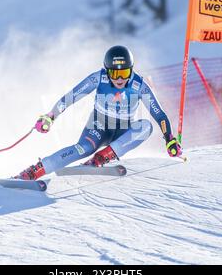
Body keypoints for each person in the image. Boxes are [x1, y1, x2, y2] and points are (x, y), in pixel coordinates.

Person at [15, 45, 182, 180]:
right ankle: (35, 171)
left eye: (124, 73)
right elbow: (72, 96)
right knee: (83, 148)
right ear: (107, 71)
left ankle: (101, 157)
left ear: (131, 70)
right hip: (99, 125)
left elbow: (159, 114)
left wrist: (169, 139)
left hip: (122, 131)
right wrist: (51, 116)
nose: (119, 79)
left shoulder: (139, 85)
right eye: (114, 73)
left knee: (146, 126)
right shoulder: (98, 78)